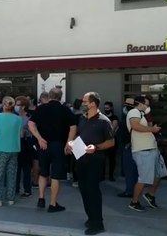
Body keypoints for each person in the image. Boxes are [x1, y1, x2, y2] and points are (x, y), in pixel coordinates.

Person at [67, 92, 114, 235]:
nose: (83, 103)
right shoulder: (82, 118)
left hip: (95, 160)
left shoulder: (104, 121)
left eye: (85, 101)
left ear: (93, 103)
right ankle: (91, 218)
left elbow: (111, 142)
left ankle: (98, 223)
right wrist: (71, 143)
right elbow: (79, 135)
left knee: (93, 190)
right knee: (83, 189)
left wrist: (96, 147)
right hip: (80, 159)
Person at [28, 87, 77, 213]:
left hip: (43, 145)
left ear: (49, 96)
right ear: (60, 97)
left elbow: (31, 124)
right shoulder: (65, 110)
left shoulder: (41, 108)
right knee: (55, 175)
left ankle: (41, 198)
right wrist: (69, 143)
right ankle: (53, 204)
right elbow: (73, 127)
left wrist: (39, 138)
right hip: (59, 145)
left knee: (43, 173)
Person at [127, 96, 162, 212]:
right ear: (140, 103)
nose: (148, 107)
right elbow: (135, 126)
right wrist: (152, 129)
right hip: (142, 150)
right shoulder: (134, 112)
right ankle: (134, 201)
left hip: (152, 149)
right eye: (146, 104)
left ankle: (150, 195)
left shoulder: (142, 114)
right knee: (144, 178)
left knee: (158, 174)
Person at [0, 96, 22, 206]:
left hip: (1, 148)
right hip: (14, 148)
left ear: (3, 105)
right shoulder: (18, 119)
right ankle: (10, 198)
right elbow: (21, 135)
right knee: (12, 174)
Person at [117, 98, 138, 198]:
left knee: (129, 169)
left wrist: (128, 143)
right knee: (133, 169)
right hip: (133, 145)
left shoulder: (127, 116)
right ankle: (134, 189)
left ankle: (130, 190)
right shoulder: (135, 115)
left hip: (129, 145)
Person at [15, 96, 34, 197]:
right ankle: (16, 187)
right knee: (16, 167)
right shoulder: (14, 116)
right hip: (16, 143)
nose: (16, 107)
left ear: (23, 106)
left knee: (26, 168)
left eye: (18, 105)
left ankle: (27, 189)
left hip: (26, 144)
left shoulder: (29, 117)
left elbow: (31, 132)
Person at [103, 101, 119, 182]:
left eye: (107, 108)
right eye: (105, 108)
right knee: (102, 159)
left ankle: (111, 175)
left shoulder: (114, 117)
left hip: (112, 140)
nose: (106, 109)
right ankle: (101, 175)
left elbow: (112, 129)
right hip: (103, 140)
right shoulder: (102, 117)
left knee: (112, 159)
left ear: (111, 108)